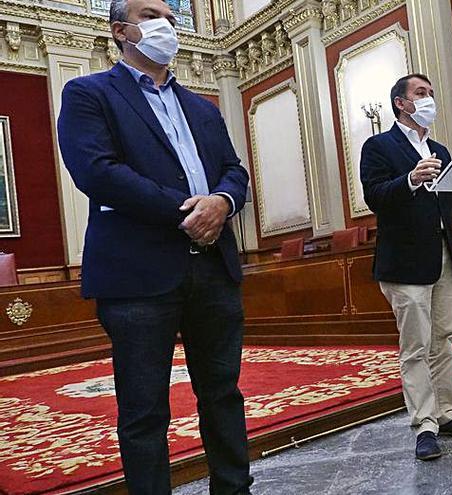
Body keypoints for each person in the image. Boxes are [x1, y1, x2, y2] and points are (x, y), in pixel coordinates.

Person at [56, 0, 252, 492]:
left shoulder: (202, 108)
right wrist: (188, 212)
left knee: (223, 394)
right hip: (137, 276)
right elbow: (98, 172)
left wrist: (223, 202)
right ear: (122, 30)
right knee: (145, 409)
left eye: (171, 13)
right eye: (151, 14)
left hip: (213, 268)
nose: (167, 22)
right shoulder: (88, 93)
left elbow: (234, 170)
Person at [360, 74, 452, 461]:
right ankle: (424, 424)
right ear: (401, 102)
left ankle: (447, 412)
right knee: (415, 346)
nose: (429, 98)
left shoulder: (441, 150)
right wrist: (411, 179)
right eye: (421, 93)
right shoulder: (379, 146)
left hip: (444, 257)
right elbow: (376, 197)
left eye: (432, 93)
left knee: (444, 339)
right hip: (404, 262)